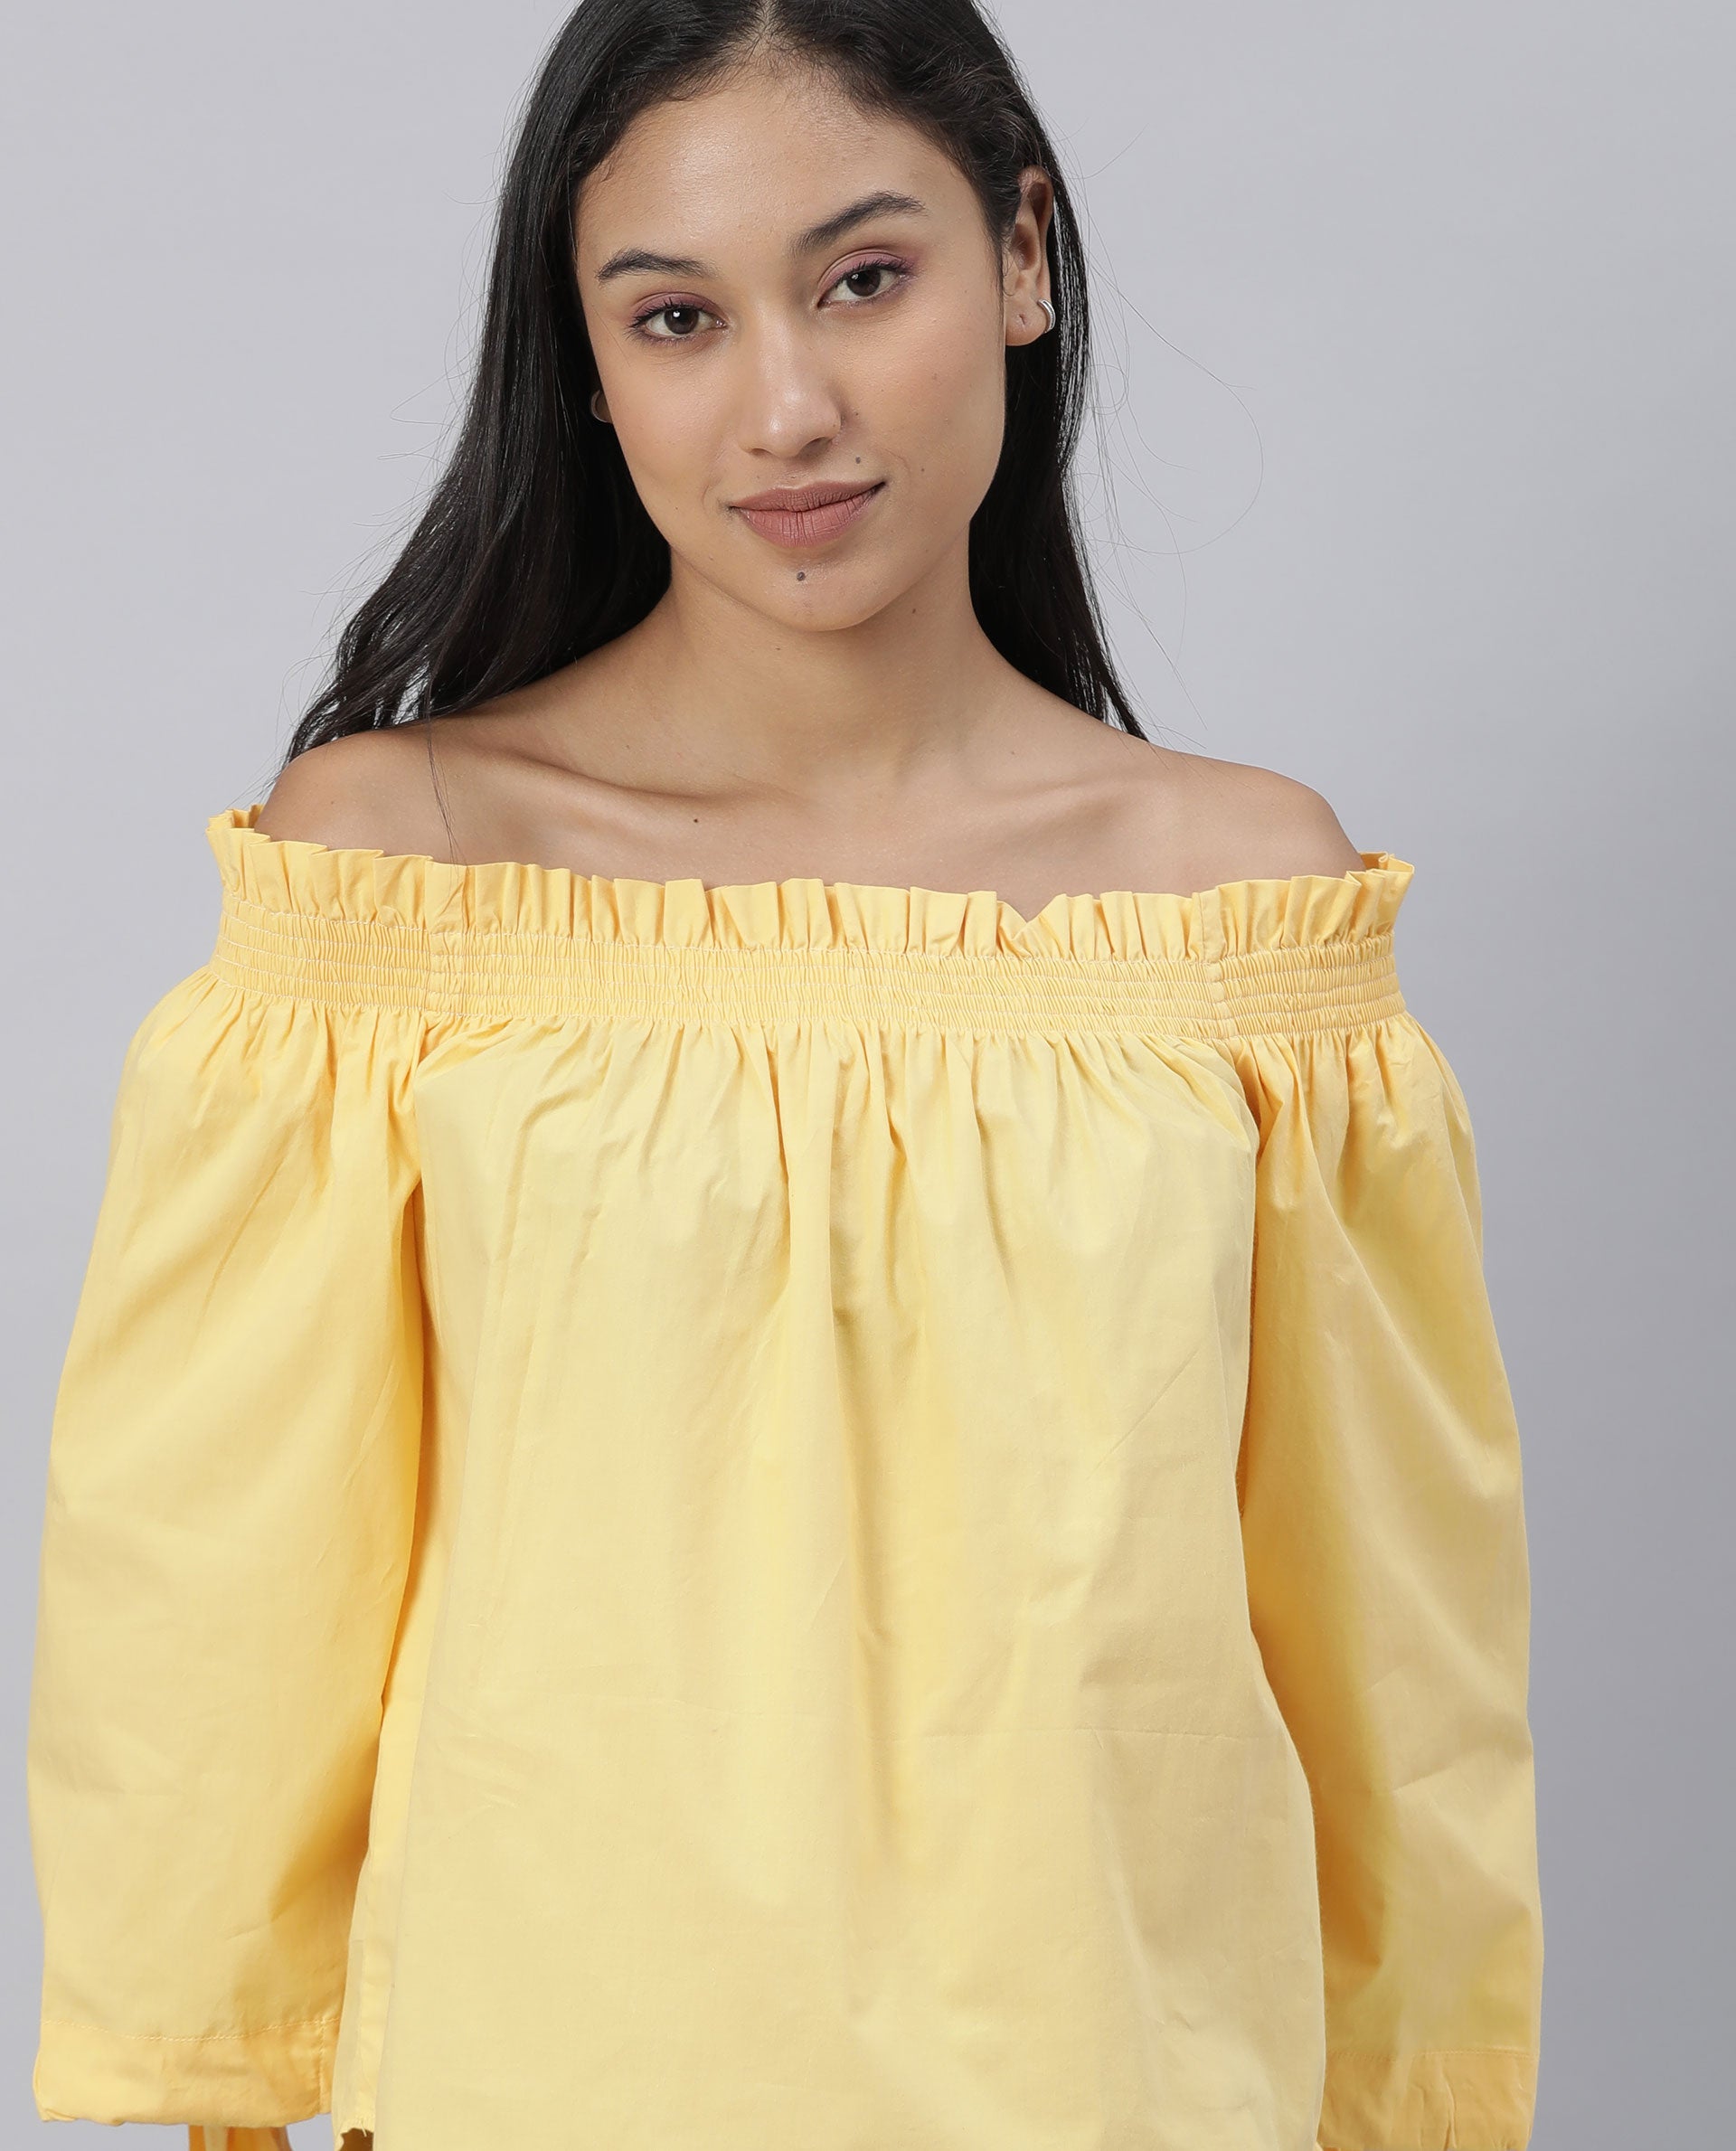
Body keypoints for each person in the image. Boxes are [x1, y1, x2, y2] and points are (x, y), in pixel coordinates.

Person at [25, 1, 1545, 2146]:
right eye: (676, 318)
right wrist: (220, 2070)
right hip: (531, 2086)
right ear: (586, 361)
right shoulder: (403, 874)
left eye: (863, 278)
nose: (788, 408)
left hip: (1118, 2087)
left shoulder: (1243, 914)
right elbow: (216, 1585)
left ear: (1022, 258)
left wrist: (1416, 2092)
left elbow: (1398, 1639)